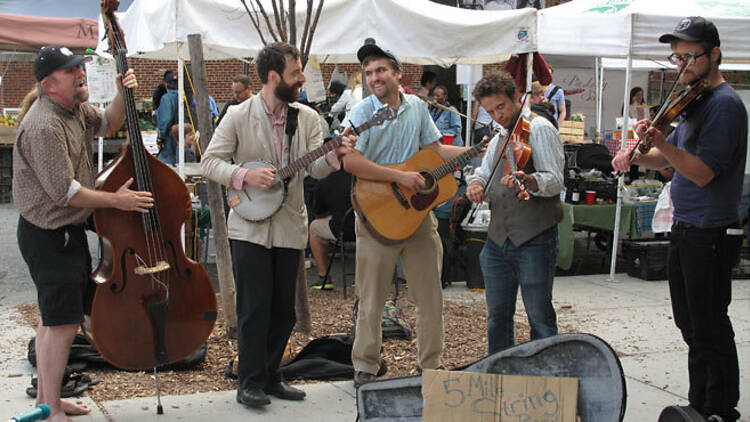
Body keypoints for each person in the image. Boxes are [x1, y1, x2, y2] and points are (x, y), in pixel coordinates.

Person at [200, 42, 356, 408]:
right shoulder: (239, 115)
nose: (302, 78)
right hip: (249, 228)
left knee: (283, 310)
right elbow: (210, 163)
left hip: (288, 226)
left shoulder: (308, 118)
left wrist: (334, 155)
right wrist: (244, 175)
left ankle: (271, 376)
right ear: (273, 77)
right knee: (254, 308)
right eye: (295, 72)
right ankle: (249, 382)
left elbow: (315, 168)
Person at [612, 17, 747, 422]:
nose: (682, 64)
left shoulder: (724, 105)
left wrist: (664, 144)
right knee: (691, 323)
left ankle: (719, 407)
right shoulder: (696, 101)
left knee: (708, 324)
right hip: (686, 225)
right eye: (677, 56)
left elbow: (703, 172)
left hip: (709, 229)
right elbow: (674, 165)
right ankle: (700, 401)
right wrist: (640, 154)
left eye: (690, 56)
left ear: (715, 54)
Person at [13, 45, 153, 422]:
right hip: (49, 234)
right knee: (61, 325)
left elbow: (109, 121)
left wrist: (125, 91)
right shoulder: (44, 124)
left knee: (51, 322)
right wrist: (117, 201)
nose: (80, 73)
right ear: (49, 84)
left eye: (79, 66)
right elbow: (67, 192)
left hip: (62, 232)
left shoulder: (73, 110)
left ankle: (48, 402)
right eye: (70, 70)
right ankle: (52, 408)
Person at [343, 42, 473, 387]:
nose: (374, 78)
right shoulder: (361, 113)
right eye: (368, 73)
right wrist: (399, 177)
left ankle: (431, 366)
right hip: (375, 215)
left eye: (380, 70)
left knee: (430, 297)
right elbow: (350, 161)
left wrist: (477, 151)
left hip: (416, 218)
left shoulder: (416, 107)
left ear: (398, 74)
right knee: (371, 300)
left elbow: (432, 152)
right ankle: (365, 367)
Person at [465, 72, 564, 355]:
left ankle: (546, 378)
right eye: (490, 111)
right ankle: (501, 373)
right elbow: (484, 173)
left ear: (515, 98)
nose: (498, 115)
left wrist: (532, 181)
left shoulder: (540, 128)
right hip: (497, 241)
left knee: (540, 318)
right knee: (497, 318)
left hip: (534, 238)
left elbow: (555, 180)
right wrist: (475, 184)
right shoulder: (499, 136)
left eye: (501, 107)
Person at [308, 168, 354, 285]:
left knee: (314, 227)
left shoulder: (324, 180)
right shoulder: (364, 174)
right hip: (370, 228)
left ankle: (324, 277)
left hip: (342, 229)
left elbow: (318, 213)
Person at [156, 71, 179, 164]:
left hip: (170, 138)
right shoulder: (185, 96)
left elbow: (166, 119)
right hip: (184, 135)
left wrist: (161, 136)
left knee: (166, 163)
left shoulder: (166, 98)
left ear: (166, 84)